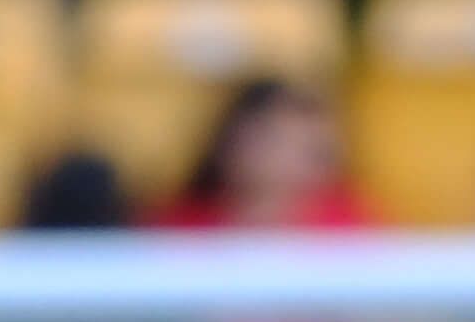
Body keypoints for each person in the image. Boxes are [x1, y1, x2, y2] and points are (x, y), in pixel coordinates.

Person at [157, 77, 369, 230]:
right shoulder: (179, 229)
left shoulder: (351, 228)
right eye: (273, 139)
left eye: (308, 147)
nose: (287, 159)